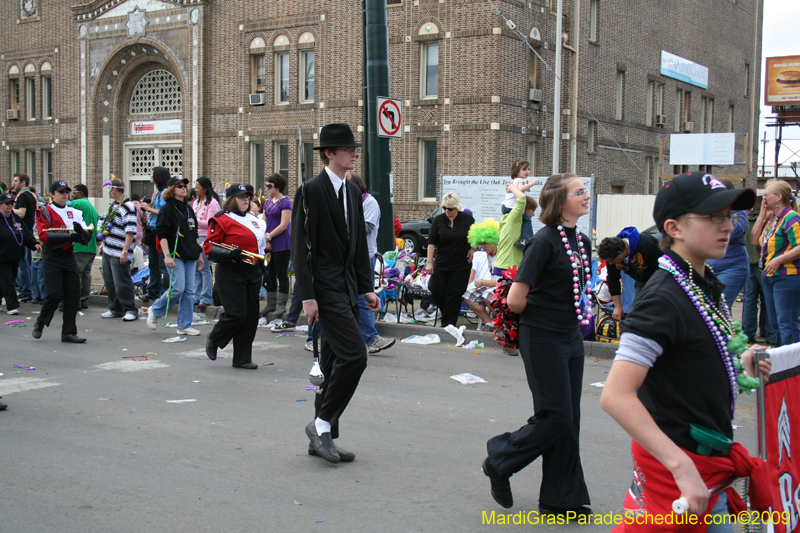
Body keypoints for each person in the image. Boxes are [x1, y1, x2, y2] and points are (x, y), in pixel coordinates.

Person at [600, 172, 772, 530]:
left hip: (709, 473)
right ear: (674, 228)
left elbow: (690, 366)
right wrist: (682, 467)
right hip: (682, 479)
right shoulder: (662, 298)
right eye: (713, 217)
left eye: (728, 216)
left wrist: (743, 364)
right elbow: (616, 396)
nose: (728, 226)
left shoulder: (701, 282)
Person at [482, 172, 592, 517]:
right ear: (560, 203)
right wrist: (549, 313)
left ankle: (561, 500)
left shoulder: (582, 241)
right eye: (579, 192)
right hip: (542, 337)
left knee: (569, 419)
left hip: (571, 338)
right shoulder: (544, 242)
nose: (586, 195)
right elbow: (516, 300)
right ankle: (499, 460)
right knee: (556, 416)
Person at [291, 123, 380, 464]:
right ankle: (322, 424)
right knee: (356, 356)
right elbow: (301, 247)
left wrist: (365, 288)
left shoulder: (353, 194)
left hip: (346, 289)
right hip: (324, 289)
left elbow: (357, 248)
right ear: (330, 153)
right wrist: (308, 296)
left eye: (354, 147)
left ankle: (322, 436)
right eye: (348, 148)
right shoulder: (311, 190)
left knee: (331, 363)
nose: (354, 152)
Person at [204, 184, 266, 369]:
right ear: (231, 199)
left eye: (248, 196)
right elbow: (209, 247)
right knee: (237, 314)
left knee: (250, 318)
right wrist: (230, 254)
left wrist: (264, 270)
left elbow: (259, 247)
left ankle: (242, 357)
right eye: (241, 197)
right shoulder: (221, 219)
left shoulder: (254, 219)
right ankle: (215, 338)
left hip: (252, 271)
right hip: (231, 271)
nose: (246, 200)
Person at [32, 181, 91, 343]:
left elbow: (86, 235)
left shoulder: (75, 212)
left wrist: (83, 234)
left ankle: (68, 332)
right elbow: (44, 236)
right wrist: (70, 236)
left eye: (66, 191)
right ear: (52, 194)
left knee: (73, 294)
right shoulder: (44, 210)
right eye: (60, 192)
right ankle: (41, 322)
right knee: (54, 294)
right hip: (52, 256)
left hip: (68, 256)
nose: (64, 194)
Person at [146, 177, 205, 336]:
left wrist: (198, 253)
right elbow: (162, 233)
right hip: (175, 254)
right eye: (179, 186)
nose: (183, 188)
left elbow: (194, 232)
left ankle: (184, 325)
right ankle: (156, 309)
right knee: (178, 288)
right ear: (172, 189)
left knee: (189, 291)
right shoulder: (167, 209)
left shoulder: (188, 208)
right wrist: (167, 255)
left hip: (190, 253)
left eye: (185, 186)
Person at [347, 172, 395, 354]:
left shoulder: (369, 203)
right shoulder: (349, 202)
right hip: (347, 255)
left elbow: (366, 228)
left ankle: (370, 338)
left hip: (363, 255)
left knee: (362, 296)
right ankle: (317, 337)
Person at [751, 178, 800, 347]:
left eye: (766, 195)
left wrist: (779, 259)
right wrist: (761, 216)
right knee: (775, 323)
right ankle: (782, 358)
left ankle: (793, 364)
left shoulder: (791, 218)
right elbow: (755, 241)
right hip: (769, 275)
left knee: (787, 322)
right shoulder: (772, 218)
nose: (763, 198)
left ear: (779, 197)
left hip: (787, 276)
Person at [425, 193, 475, 327]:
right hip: (442, 262)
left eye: (450, 208)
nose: (447, 211)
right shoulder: (438, 220)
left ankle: (448, 324)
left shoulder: (467, 219)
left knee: (454, 293)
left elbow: (476, 235)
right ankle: (446, 316)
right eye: (445, 208)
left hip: (461, 263)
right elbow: (432, 241)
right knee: (435, 288)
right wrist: (429, 262)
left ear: (457, 207)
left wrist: (472, 248)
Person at [596, 228, 662, 321]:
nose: (610, 264)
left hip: (660, 278)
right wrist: (618, 307)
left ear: (619, 253)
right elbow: (613, 279)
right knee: (637, 309)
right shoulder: (612, 256)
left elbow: (662, 271)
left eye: (611, 261)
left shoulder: (647, 245)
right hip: (641, 280)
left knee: (656, 308)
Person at [706, 178, 749, 313]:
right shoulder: (709, 212)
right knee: (707, 307)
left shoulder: (738, 211)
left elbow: (735, 231)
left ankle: (724, 334)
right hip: (709, 266)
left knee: (720, 306)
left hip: (733, 265)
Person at [98, 178, 138, 321]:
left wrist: (125, 251)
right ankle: (115, 308)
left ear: (113, 189)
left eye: (109, 189)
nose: (108, 192)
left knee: (122, 282)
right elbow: (108, 227)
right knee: (110, 281)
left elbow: (130, 231)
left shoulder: (128, 207)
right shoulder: (114, 206)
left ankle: (130, 309)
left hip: (119, 251)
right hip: (109, 249)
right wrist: (103, 244)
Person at [0, 192, 40, 314]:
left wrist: (33, 243)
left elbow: (25, 232)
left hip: (15, 255)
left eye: (12, 203)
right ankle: (12, 306)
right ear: (0, 205)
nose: (10, 206)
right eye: (7, 203)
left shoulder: (14, 217)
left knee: (8, 280)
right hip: (2, 257)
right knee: (7, 281)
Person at [742, 198, 775, 344]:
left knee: (749, 299)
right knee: (767, 300)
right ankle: (768, 332)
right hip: (765, 264)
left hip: (749, 262)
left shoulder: (744, 219)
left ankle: (748, 332)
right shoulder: (768, 221)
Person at [259, 173, 292, 319]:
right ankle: (271, 302)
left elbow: (284, 225)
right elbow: (263, 222)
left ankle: (281, 305)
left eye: (269, 186)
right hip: (269, 242)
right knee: (269, 273)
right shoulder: (267, 203)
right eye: (266, 185)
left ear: (277, 187)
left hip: (281, 242)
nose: (267, 189)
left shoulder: (286, 203)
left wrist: (270, 236)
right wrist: (265, 238)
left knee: (281, 274)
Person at [493, 182, 538, 277]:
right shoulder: (514, 219)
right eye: (532, 210)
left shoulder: (519, 222)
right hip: (506, 267)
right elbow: (521, 199)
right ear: (525, 209)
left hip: (514, 267)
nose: (533, 214)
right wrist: (512, 187)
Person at [462, 219, 500, 328]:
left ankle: (501, 321)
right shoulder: (488, 254)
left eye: (486, 243)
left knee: (488, 295)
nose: (483, 247)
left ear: (494, 241)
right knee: (468, 295)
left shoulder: (501, 255)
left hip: (502, 285)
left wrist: (482, 282)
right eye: (481, 244)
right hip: (492, 284)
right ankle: (490, 323)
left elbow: (501, 280)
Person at [141, 167, 170, 301]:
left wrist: (149, 209)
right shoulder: (156, 192)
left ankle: (164, 293)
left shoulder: (164, 193)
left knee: (161, 264)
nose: (150, 176)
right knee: (152, 263)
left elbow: (164, 213)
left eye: (152, 174)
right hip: (152, 231)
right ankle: (153, 291)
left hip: (160, 232)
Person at [192, 177, 221, 311]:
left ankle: (206, 297)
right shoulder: (196, 202)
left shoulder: (213, 203)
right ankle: (196, 296)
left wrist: (193, 221)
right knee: (196, 268)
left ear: (205, 189)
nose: (196, 190)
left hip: (206, 236)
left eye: (198, 187)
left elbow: (211, 222)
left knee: (204, 267)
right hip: (195, 235)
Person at [70, 184, 99, 310]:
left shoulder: (78, 203)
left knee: (77, 275)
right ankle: (84, 300)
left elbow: (63, 208)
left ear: (80, 193)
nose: (71, 196)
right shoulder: (93, 209)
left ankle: (75, 302)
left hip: (80, 246)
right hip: (91, 246)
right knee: (86, 274)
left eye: (74, 193)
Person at [499, 160, 539, 248]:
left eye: (528, 169)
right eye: (524, 169)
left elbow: (509, 190)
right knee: (527, 220)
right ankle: (523, 240)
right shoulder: (520, 181)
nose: (527, 171)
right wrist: (532, 183)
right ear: (517, 171)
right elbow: (520, 189)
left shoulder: (514, 181)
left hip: (505, 206)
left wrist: (526, 188)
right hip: (511, 207)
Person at [12, 173, 37, 303]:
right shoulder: (31, 196)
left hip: (23, 233)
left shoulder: (23, 196)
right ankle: (27, 290)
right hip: (28, 232)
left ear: (23, 183)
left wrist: (9, 209)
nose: (14, 183)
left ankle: (25, 291)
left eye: (16, 181)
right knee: (26, 263)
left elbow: (21, 214)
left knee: (23, 264)